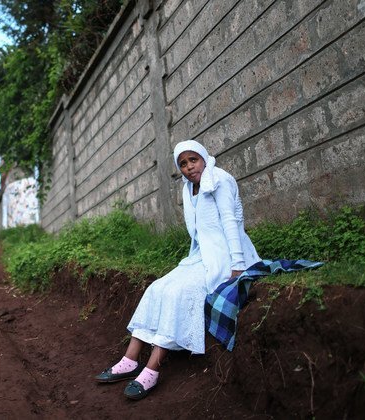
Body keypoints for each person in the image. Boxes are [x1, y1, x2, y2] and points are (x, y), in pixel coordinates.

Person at [94, 139, 261, 400]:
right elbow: (197, 235)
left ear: (204, 157)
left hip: (226, 258)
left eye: (193, 160)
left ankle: (153, 368)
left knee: (178, 293)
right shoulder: (188, 189)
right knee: (156, 288)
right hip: (200, 257)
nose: (188, 167)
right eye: (182, 164)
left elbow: (231, 223)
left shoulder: (220, 180)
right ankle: (130, 360)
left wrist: (238, 266)